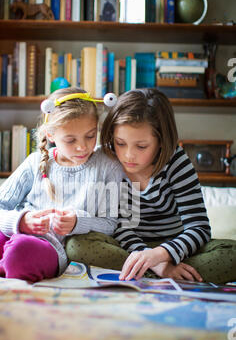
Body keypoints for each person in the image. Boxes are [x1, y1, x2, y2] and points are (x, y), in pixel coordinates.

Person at [0, 87, 123, 283]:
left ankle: (1, 268)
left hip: (47, 248)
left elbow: (109, 224)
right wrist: (21, 221)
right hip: (6, 234)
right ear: (51, 136)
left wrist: (78, 221)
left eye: (90, 136)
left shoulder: (107, 165)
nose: (82, 147)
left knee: (18, 255)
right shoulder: (36, 162)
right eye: (70, 140)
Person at [66, 88, 236, 284]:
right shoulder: (106, 161)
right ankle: (162, 275)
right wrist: (153, 262)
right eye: (120, 143)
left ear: (161, 142)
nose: (128, 155)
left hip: (176, 248)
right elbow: (119, 226)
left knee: (232, 253)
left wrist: (162, 255)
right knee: (76, 245)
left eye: (141, 146)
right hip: (126, 247)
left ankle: (155, 273)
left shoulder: (176, 162)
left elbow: (198, 227)